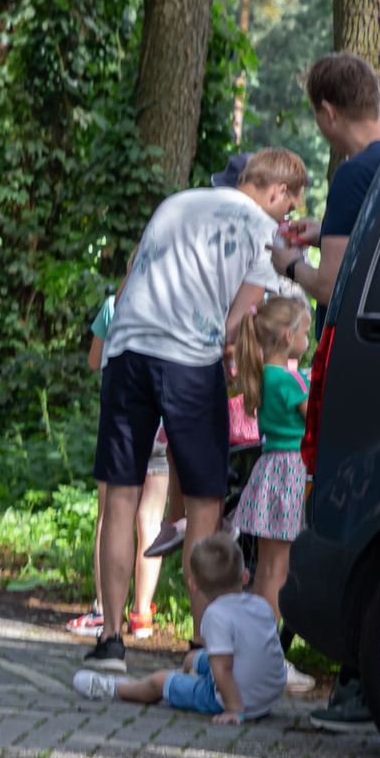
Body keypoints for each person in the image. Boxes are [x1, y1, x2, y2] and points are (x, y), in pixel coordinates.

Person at [86, 147, 304, 675]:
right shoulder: (263, 232)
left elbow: (133, 276)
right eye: (290, 207)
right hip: (187, 363)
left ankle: (112, 640)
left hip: (128, 350)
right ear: (274, 192)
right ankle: (202, 644)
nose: (288, 218)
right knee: (204, 506)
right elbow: (236, 321)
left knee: (121, 495)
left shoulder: (176, 203)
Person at [268, 54, 380, 731]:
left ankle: (352, 686)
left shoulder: (354, 176)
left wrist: (289, 260)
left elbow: (331, 287)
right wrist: (322, 233)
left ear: (327, 114)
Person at [73, 533, 287, 724]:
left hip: (236, 700)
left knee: (160, 681)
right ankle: (189, 674)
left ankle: (114, 688)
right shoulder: (260, 604)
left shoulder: (215, 616)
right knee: (193, 658)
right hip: (268, 696)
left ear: (193, 585)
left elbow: (223, 667)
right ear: (245, 576)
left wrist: (234, 709)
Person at [227, 295, 317, 695]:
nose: (308, 338)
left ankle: (254, 653)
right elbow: (315, 417)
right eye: (305, 331)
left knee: (265, 570)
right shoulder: (289, 382)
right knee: (277, 575)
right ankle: (270, 660)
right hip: (290, 473)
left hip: (269, 471)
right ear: (287, 335)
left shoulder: (264, 376)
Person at [69, 294, 169, 639]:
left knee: (110, 515)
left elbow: (94, 361)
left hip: (123, 418)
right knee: (151, 520)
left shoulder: (114, 304)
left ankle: (103, 609)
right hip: (161, 425)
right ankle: (141, 613)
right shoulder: (173, 302)